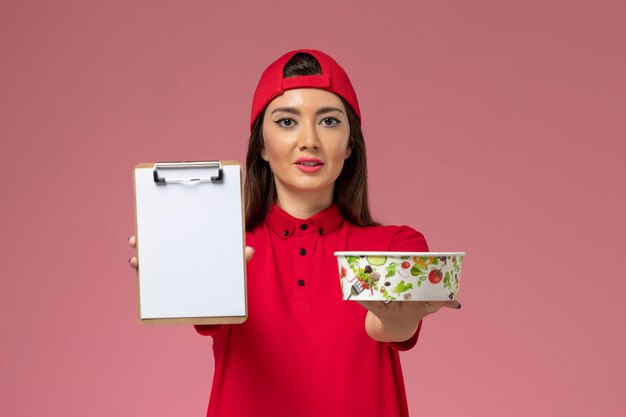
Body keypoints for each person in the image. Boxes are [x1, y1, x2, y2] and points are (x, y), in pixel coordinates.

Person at [128, 49, 461, 417]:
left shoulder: (396, 246)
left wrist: (399, 314)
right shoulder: (227, 248)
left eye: (330, 121)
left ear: (350, 144)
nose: (309, 140)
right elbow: (201, 308)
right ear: (262, 148)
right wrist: (176, 273)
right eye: (287, 122)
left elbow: (388, 327)